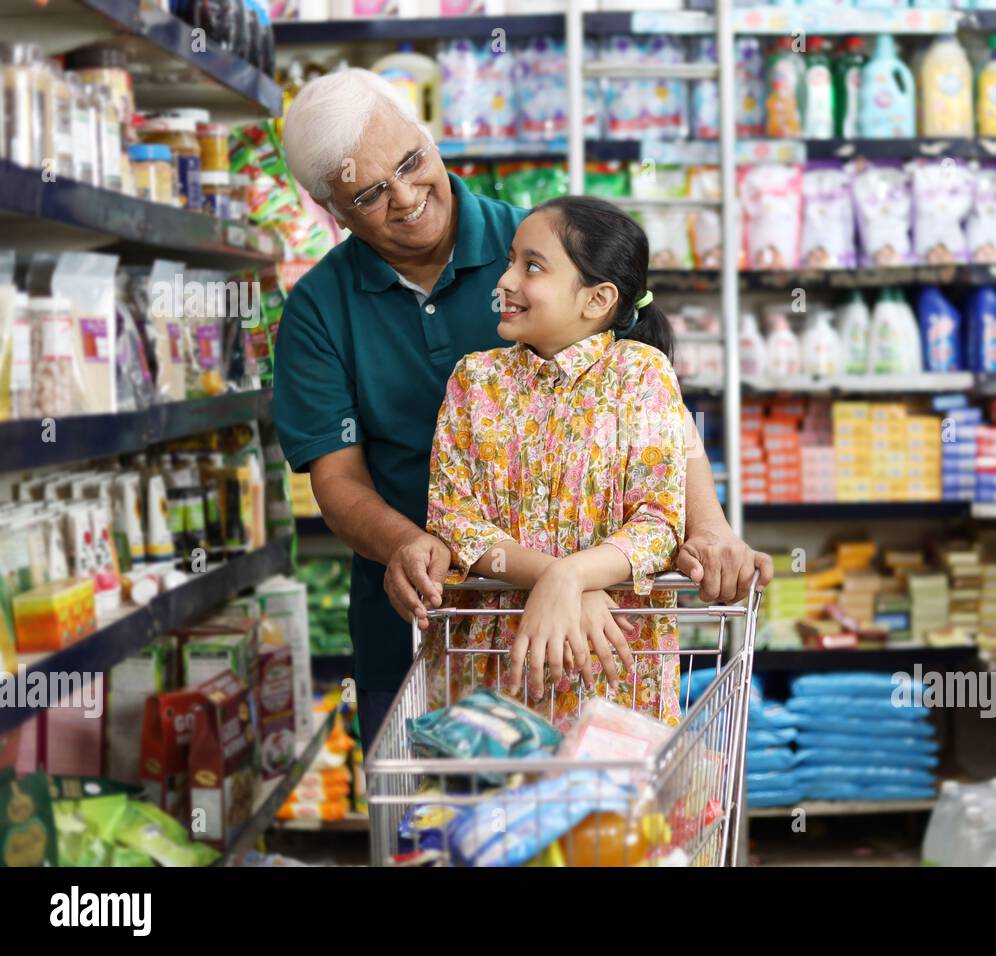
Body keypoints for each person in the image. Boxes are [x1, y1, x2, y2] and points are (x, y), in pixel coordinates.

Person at [273, 69, 772, 751]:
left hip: (609, 626)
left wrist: (707, 526)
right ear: (328, 207)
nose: (407, 197)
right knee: (444, 823)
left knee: (602, 830)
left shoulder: (542, 246)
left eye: (413, 163)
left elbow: (655, 414)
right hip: (437, 614)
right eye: (369, 193)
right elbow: (337, 480)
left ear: (427, 137)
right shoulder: (318, 310)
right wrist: (414, 546)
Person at [426, 196, 686, 729]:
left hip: (614, 672)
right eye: (509, 261)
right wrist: (562, 581)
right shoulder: (474, 381)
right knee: (489, 805)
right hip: (492, 672)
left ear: (597, 299)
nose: (505, 281)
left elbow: (659, 524)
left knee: (609, 812)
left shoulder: (641, 375)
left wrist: (573, 576)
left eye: (533, 266)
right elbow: (453, 519)